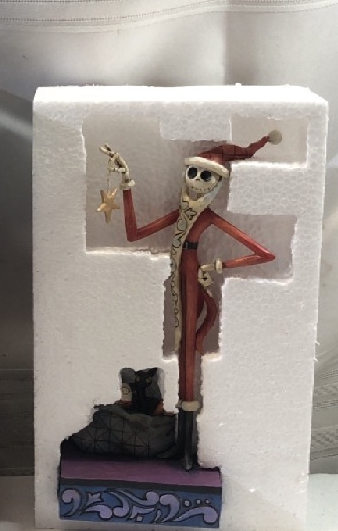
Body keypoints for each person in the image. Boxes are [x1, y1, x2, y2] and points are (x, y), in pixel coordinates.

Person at [100, 131, 281, 469]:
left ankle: (186, 447)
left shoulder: (206, 217)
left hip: (191, 281)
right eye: (193, 172)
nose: (196, 181)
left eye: (206, 176)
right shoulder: (183, 213)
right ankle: (181, 445)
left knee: (187, 351)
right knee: (183, 346)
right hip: (178, 282)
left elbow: (264, 253)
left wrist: (217, 266)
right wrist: (126, 185)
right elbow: (134, 234)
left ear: (217, 183)